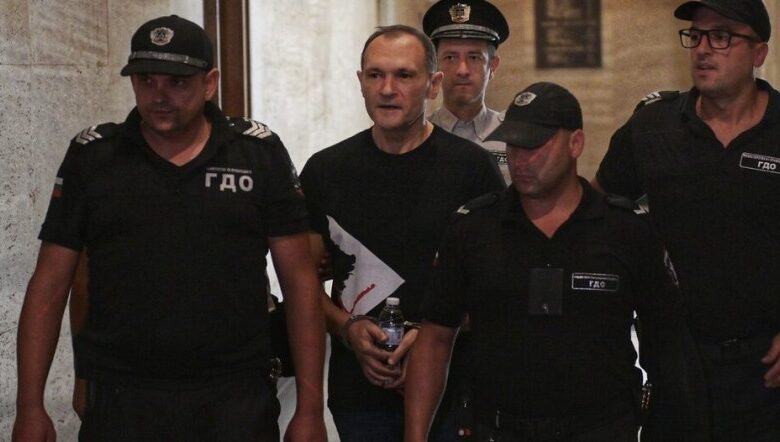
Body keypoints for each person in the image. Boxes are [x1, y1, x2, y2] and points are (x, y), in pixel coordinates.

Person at [12, 15, 326, 442]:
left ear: (210, 83)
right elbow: (49, 286)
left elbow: (301, 284)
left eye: (177, 82)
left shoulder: (257, 155)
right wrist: (30, 406)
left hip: (233, 398)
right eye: (146, 80)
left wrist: (309, 409)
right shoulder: (95, 158)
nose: (159, 95)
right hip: (123, 398)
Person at [405, 82, 707, 441]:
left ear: (576, 143)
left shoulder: (626, 230)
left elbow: (668, 341)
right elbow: (435, 339)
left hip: (600, 430)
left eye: (535, 145)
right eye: (513, 145)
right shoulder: (473, 229)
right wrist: (415, 436)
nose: (521, 159)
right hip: (498, 430)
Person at [299, 25, 504, 442]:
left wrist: (432, 339)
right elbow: (302, 284)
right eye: (375, 75)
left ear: (433, 84)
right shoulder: (326, 170)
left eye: (404, 75)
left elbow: (499, 284)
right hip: (358, 393)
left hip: (455, 392)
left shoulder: (472, 170)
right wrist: (347, 329)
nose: (387, 89)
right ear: (360, 82)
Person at [594, 1, 780, 440]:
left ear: (759, 52)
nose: (703, 48)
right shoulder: (653, 127)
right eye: (696, 35)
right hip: (674, 362)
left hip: (765, 369)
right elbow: (597, 217)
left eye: (722, 36)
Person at [423, 0, 510, 183]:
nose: (462, 70)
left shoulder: (512, 139)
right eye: (450, 57)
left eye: (474, 57)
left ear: (493, 66)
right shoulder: (417, 137)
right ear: (435, 65)